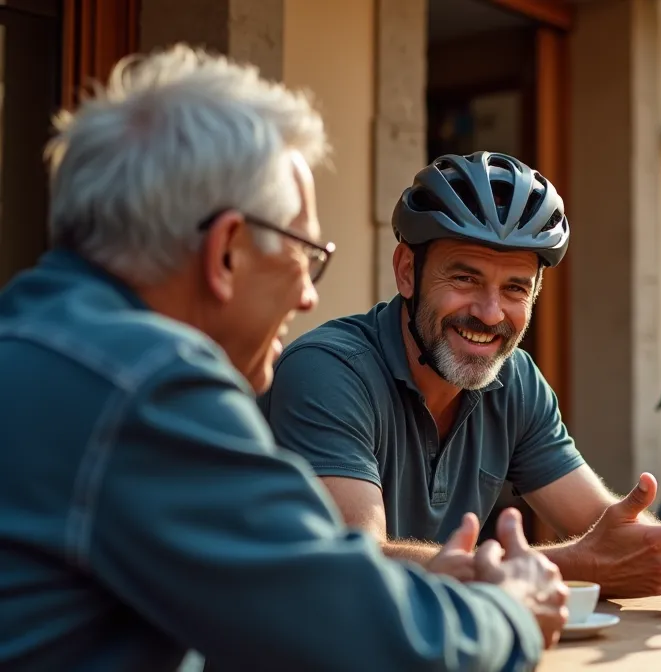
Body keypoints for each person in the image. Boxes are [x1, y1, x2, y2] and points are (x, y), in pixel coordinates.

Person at [0, 44, 571, 671]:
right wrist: (510, 611)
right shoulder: (150, 385)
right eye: (303, 253)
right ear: (226, 251)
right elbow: (355, 632)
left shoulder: (41, 341)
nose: (307, 295)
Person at [259, 151, 661, 598]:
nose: (490, 313)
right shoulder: (327, 372)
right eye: (465, 278)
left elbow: (604, 528)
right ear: (407, 271)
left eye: (515, 288)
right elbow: (358, 566)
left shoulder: (514, 380)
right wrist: (571, 565)